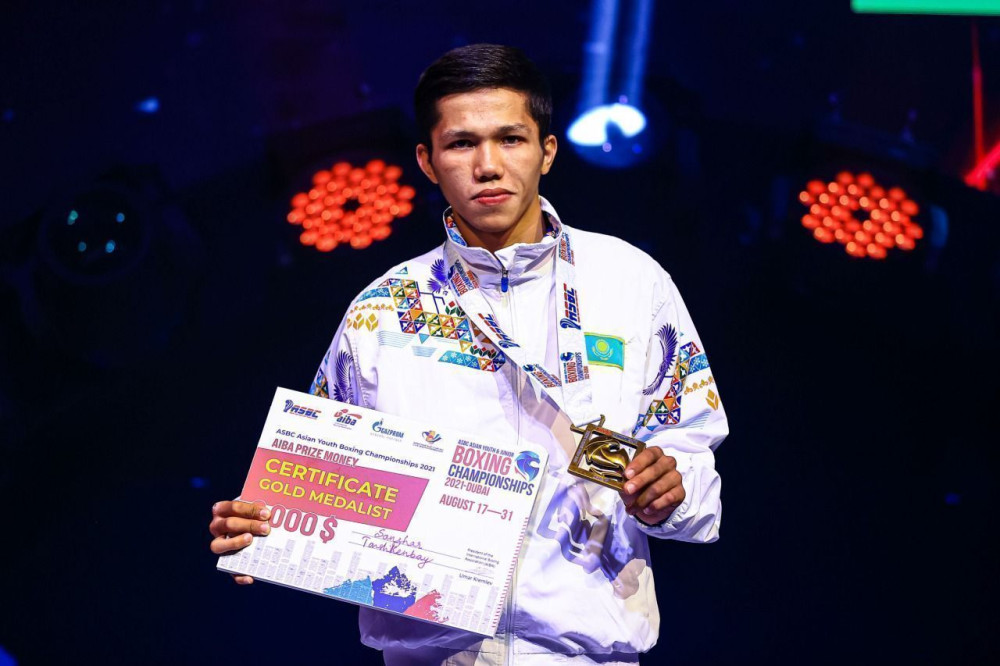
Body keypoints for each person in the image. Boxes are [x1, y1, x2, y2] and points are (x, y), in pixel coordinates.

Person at [209, 44, 727, 665]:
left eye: (511, 139)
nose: (487, 166)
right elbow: (319, 485)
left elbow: (696, 473)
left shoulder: (632, 283)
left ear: (547, 151)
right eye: (461, 144)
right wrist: (265, 531)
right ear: (427, 162)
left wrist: (671, 494)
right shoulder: (381, 310)